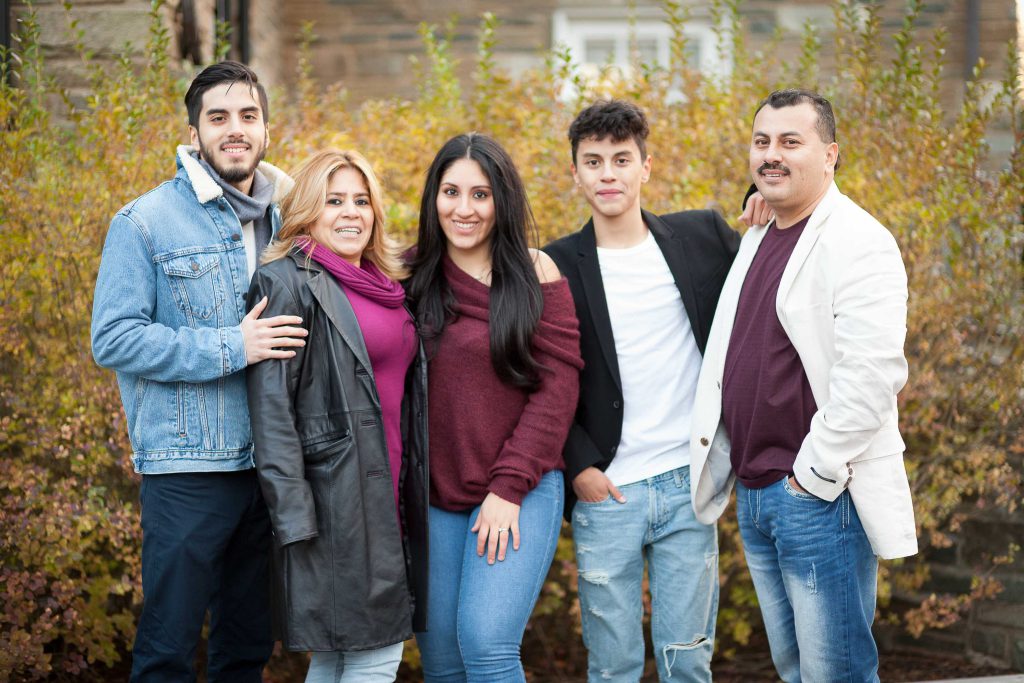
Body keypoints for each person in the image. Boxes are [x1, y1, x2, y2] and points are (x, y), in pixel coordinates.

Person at [690, 88, 918, 682]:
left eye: (792, 142)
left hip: (818, 497)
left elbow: (872, 375)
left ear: (831, 154)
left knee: (835, 671)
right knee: (794, 670)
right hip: (757, 491)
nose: (773, 155)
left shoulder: (860, 241)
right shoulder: (760, 235)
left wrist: (811, 476)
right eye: (762, 142)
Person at [90, 61, 308, 681]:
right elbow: (113, 338)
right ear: (193, 134)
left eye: (248, 116)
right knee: (166, 652)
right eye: (218, 118)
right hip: (188, 468)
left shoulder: (289, 219)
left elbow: (366, 257)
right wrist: (230, 347)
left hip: (270, 464)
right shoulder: (144, 222)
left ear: (266, 129)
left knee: (245, 652)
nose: (234, 129)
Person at [543, 99, 768, 682]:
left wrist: (759, 195)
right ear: (575, 172)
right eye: (593, 162)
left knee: (687, 660)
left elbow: (767, 256)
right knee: (612, 665)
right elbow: (538, 378)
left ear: (646, 166)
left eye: (622, 159)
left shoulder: (700, 237)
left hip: (685, 487)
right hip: (607, 492)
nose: (608, 174)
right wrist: (578, 466)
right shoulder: (556, 265)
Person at [245, 149, 428, 682]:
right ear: (308, 210)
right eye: (334, 201)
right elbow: (271, 408)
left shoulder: (389, 284)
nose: (351, 213)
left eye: (361, 200)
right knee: (375, 653)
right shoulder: (287, 282)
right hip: (334, 502)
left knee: (339, 653)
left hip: (391, 487)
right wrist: (294, 514)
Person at [406, 132, 583, 682]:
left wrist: (508, 488)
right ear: (433, 198)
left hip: (518, 488)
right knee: (441, 661)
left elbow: (557, 391)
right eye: (450, 192)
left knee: (485, 645)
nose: (464, 209)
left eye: (480, 195)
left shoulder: (536, 274)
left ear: (501, 201)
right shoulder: (407, 275)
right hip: (434, 494)